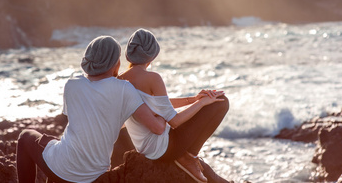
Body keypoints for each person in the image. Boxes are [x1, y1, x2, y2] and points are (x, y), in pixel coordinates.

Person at [16, 35, 166, 183]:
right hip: (94, 178)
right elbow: (158, 128)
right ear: (116, 63)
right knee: (57, 144)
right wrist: (164, 112)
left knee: (25, 136)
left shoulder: (72, 84)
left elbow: (82, 121)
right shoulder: (124, 89)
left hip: (60, 172)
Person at [119, 28, 230, 183]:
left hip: (145, 149)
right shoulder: (152, 78)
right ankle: (189, 157)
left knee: (211, 101)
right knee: (221, 101)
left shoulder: (120, 80)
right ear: (152, 56)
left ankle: (188, 156)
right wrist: (203, 102)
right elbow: (175, 121)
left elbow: (158, 105)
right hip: (165, 149)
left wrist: (193, 99)